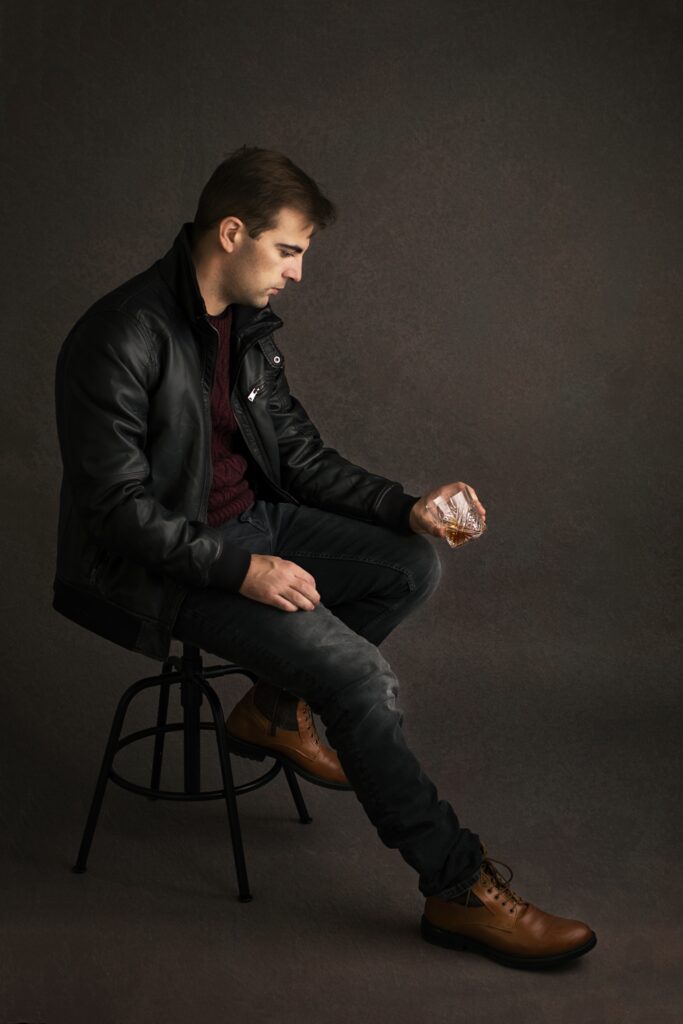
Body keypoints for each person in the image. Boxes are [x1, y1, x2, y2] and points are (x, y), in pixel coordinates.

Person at [53, 145, 596, 969]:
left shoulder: (245, 328)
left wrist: (406, 507)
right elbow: (116, 513)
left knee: (411, 563)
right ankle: (455, 888)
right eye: (287, 250)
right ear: (231, 233)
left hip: (254, 526)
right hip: (171, 567)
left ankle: (274, 706)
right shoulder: (120, 335)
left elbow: (299, 456)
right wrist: (241, 571)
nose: (297, 273)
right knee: (357, 677)